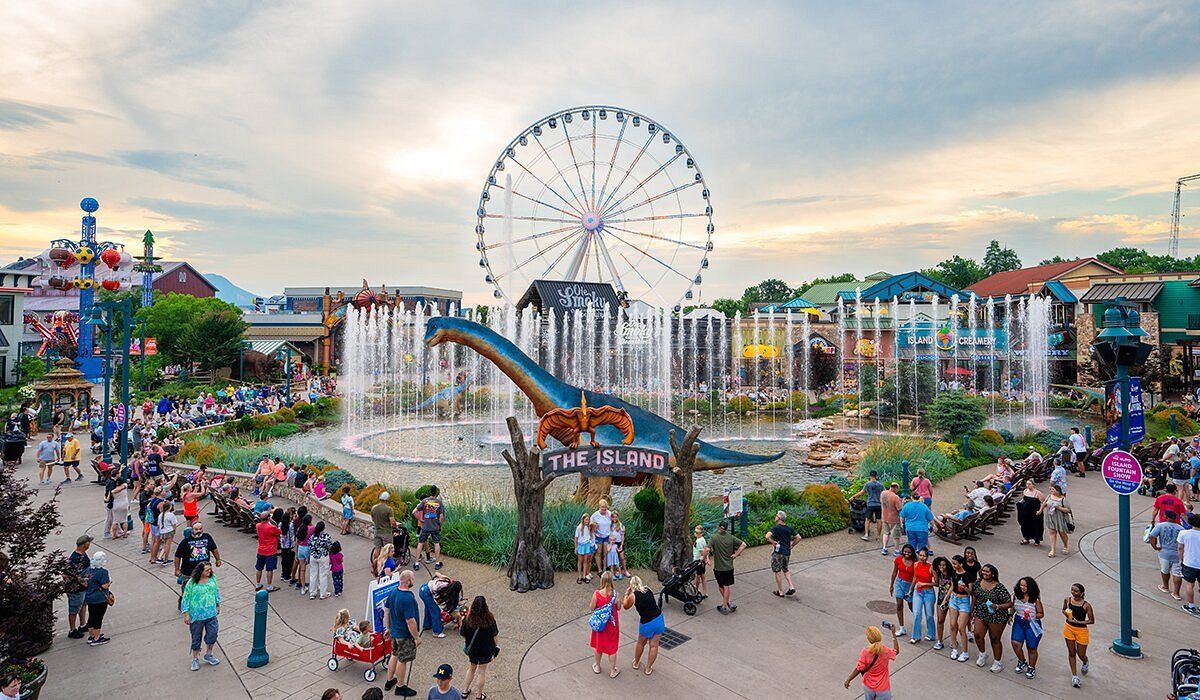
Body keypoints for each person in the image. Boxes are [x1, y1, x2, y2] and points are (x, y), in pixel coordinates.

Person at [383, 570, 422, 698]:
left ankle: (389, 681)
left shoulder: (393, 592)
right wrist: (416, 637)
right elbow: (410, 621)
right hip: (404, 635)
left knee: (394, 655)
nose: (414, 581)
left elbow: (387, 611)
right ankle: (400, 686)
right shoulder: (407, 599)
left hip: (394, 632)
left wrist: (388, 628)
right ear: (408, 581)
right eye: (413, 578)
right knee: (402, 660)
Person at [970, 563, 1012, 672]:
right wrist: (972, 610)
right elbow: (974, 596)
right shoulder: (978, 583)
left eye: (987, 571)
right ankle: (982, 654)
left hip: (996, 616)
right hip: (981, 613)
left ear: (993, 574)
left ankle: (998, 662)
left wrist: (997, 606)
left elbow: (1009, 603)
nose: (984, 573)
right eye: (983, 571)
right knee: (977, 634)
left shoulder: (999, 587)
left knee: (995, 639)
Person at [180, 561, 222, 671]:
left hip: (211, 614)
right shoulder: (192, 583)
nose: (209, 572)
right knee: (196, 637)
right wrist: (186, 614)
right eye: (207, 570)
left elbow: (216, 592)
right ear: (200, 571)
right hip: (196, 616)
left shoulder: (213, 578)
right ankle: (195, 658)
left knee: (213, 634)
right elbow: (186, 598)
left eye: (210, 569)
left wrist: (217, 604)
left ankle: (209, 654)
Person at [460, 595, 499, 700]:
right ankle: (478, 695)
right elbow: (495, 636)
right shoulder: (490, 620)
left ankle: (464, 691)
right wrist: (495, 649)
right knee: (482, 671)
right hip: (486, 650)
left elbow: (462, 633)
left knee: (471, 668)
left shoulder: (468, 620)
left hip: (473, 649)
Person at [843, 625, 899, 699]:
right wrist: (893, 634)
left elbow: (859, 669)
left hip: (868, 686)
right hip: (882, 688)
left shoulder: (865, 652)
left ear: (869, 639)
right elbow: (896, 651)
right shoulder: (885, 651)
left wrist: (848, 680)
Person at [707, 521, 746, 614]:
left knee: (721, 586)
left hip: (719, 568)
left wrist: (707, 558)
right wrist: (736, 555)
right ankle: (727, 604)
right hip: (729, 567)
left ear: (718, 527)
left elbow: (707, 549)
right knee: (727, 586)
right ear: (726, 528)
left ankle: (724, 607)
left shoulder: (714, 537)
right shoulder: (731, 537)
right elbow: (743, 545)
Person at [1010, 575, 1044, 679]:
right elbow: (1013, 607)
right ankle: (1022, 660)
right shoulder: (1016, 596)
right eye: (1021, 585)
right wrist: (1010, 615)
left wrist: (1031, 616)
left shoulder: (1035, 600)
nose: (1023, 588)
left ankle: (1031, 667)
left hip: (1032, 624)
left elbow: (1041, 614)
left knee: (1032, 647)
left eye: (1025, 586)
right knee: (1015, 643)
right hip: (1019, 621)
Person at [589, 571, 621, 678]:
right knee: (612, 647)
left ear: (602, 580)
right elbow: (619, 607)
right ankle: (612, 671)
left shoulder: (597, 594)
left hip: (600, 624)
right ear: (612, 581)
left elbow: (592, 608)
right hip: (612, 625)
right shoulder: (615, 594)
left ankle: (597, 666)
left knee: (599, 645)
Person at [174, 520, 221, 594]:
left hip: (204, 572)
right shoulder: (185, 541)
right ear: (192, 530)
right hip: (189, 573)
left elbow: (214, 549)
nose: (198, 531)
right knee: (188, 592)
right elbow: (177, 556)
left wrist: (218, 560)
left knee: (205, 591)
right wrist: (177, 569)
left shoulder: (207, 537)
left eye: (200, 529)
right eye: (196, 529)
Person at [1062, 582, 1095, 688]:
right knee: (1072, 652)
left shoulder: (1086, 605)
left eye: (1076, 591)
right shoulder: (1067, 600)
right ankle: (1074, 676)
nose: (1073, 593)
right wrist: (1066, 614)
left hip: (1081, 631)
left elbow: (1091, 620)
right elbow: (1063, 610)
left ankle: (1085, 661)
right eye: (1072, 590)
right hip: (1069, 628)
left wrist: (1078, 622)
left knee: (1081, 654)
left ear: (1082, 593)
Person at [945, 555, 975, 662]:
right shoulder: (953, 574)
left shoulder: (968, 576)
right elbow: (952, 586)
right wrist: (946, 599)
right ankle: (954, 648)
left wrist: (965, 588)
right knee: (953, 625)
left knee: (962, 627)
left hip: (964, 601)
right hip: (954, 599)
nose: (953, 565)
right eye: (952, 563)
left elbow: (971, 592)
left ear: (961, 564)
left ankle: (965, 652)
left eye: (955, 563)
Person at [1149, 510, 1184, 600]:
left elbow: (1152, 536)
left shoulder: (1160, 526)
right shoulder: (1181, 528)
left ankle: (1165, 586)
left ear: (1166, 517)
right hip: (1177, 554)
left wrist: (1155, 547)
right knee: (1177, 573)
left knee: (1165, 570)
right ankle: (1176, 593)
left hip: (1165, 552)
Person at [766, 510, 801, 597]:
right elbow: (798, 537)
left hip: (778, 553)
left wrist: (773, 542)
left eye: (776, 516)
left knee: (777, 571)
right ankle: (791, 586)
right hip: (787, 552)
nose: (775, 517)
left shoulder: (775, 528)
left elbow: (767, 536)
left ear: (779, 518)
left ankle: (780, 591)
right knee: (786, 569)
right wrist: (792, 545)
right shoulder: (789, 528)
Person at [65, 534, 93, 638]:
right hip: (76, 589)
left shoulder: (83, 554)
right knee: (74, 609)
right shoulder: (74, 558)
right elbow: (65, 575)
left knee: (83, 605)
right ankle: (72, 630)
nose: (89, 544)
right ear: (85, 544)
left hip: (84, 588)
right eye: (88, 542)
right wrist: (80, 581)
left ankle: (83, 624)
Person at [412, 486, 445, 571]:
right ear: (436, 493)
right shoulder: (439, 502)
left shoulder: (424, 501)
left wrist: (420, 519)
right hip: (435, 527)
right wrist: (440, 526)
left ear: (430, 492)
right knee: (436, 543)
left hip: (425, 526)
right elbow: (441, 517)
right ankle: (437, 563)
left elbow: (414, 511)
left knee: (420, 543)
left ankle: (416, 563)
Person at [84, 550, 113, 646]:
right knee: (98, 618)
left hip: (89, 597)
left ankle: (92, 636)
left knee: (91, 616)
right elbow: (105, 586)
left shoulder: (88, 570)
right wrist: (110, 583)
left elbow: (82, 581)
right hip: (99, 598)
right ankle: (97, 638)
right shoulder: (103, 572)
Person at [887, 544, 915, 637]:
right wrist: (891, 585)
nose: (906, 554)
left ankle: (917, 620)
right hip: (899, 583)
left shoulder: (915, 562)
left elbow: (916, 576)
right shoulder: (898, 559)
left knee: (912, 606)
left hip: (910, 585)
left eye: (909, 552)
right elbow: (894, 572)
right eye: (905, 552)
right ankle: (902, 627)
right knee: (899, 605)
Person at [910, 547, 936, 645]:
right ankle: (916, 636)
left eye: (924, 555)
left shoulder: (931, 567)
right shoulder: (916, 564)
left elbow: (936, 583)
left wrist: (925, 584)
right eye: (920, 555)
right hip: (918, 591)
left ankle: (931, 634)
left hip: (928, 592)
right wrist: (911, 589)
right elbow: (915, 577)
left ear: (927, 556)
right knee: (917, 613)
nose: (922, 557)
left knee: (929, 614)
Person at [1039, 483, 1072, 557]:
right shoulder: (1049, 496)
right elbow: (1044, 504)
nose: (1051, 491)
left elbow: (1068, 510)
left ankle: (1065, 545)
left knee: (1062, 533)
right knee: (1052, 532)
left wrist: (1059, 508)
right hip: (1051, 517)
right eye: (1050, 489)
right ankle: (1053, 550)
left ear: (1057, 490)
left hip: (1060, 518)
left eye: (1053, 489)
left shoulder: (1063, 499)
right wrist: (1040, 510)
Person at [852, 471, 885, 543]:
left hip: (870, 504)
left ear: (870, 476)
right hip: (879, 504)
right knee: (879, 520)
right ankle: (878, 536)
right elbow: (884, 493)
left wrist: (853, 497)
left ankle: (866, 535)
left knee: (867, 519)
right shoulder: (880, 485)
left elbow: (861, 492)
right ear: (876, 476)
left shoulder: (867, 484)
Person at [1179, 513, 1200, 615]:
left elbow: (1180, 548)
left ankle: (1191, 606)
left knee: (1189, 585)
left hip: (1189, 562)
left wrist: (1180, 559)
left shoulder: (1184, 533)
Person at [255, 510, 281, 592]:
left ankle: (258, 584)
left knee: (259, 568)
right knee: (269, 569)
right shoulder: (271, 527)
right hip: (270, 550)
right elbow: (279, 532)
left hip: (261, 550)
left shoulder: (258, 526)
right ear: (268, 518)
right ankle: (269, 586)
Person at [371, 492, 397, 576]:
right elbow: (392, 521)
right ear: (387, 499)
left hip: (377, 531)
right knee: (388, 549)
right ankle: (388, 566)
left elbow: (373, 518)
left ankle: (375, 565)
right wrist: (395, 527)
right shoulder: (389, 509)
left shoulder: (374, 508)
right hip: (386, 532)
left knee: (377, 548)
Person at [930, 556, 953, 651]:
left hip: (952, 600)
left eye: (943, 565)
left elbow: (952, 587)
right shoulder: (938, 573)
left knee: (953, 623)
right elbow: (936, 582)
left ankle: (953, 640)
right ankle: (939, 641)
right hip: (941, 599)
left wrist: (946, 599)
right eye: (939, 565)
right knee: (940, 620)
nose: (941, 567)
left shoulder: (952, 573)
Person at [308, 520, 334, 599]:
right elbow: (330, 547)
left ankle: (312, 593)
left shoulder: (312, 536)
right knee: (323, 576)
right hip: (323, 557)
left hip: (313, 556)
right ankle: (323, 594)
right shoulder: (326, 536)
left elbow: (309, 544)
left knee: (313, 575)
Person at [1016, 480, 1045, 546]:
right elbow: (1024, 499)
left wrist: (1040, 511)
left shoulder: (1038, 493)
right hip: (1026, 511)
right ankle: (1026, 538)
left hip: (1035, 511)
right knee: (1025, 525)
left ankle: (1036, 540)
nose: (1028, 485)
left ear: (1033, 485)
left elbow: (1043, 503)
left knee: (1036, 525)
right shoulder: (1025, 491)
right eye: (1027, 484)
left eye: (1029, 484)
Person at [418, 572, 446, 638]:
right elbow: (437, 597)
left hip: (424, 588)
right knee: (436, 611)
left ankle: (427, 625)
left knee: (428, 608)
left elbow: (436, 573)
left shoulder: (445, 579)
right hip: (426, 593)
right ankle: (437, 632)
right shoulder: (443, 586)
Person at [590, 499, 614, 575]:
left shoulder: (609, 514)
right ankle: (599, 570)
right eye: (602, 507)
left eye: (605, 507)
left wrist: (612, 534)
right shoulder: (595, 515)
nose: (604, 509)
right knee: (598, 553)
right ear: (599, 506)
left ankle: (605, 569)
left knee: (606, 553)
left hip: (607, 536)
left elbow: (613, 524)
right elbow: (590, 526)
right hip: (598, 536)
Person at [880, 482, 903, 556]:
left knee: (886, 533)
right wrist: (902, 502)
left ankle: (884, 548)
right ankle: (896, 550)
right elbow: (900, 509)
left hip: (884, 516)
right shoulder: (895, 497)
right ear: (895, 487)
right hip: (894, 518)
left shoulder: (883, 493)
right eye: (897, 489)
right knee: (896, 535)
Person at [574, 513, 596, 584]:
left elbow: (594, 527)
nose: (587, 521)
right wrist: (576, 547)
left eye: (588, 519)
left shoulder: (589, 527)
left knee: (585, 560)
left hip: (587, 545)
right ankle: (579, 576)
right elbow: (576, 538)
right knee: (580, 561)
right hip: (580, 545)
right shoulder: (579, 527)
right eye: (586, 519)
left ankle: (584, 576)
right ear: (583, 519)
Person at [157, 500, 179, 566]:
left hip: (162, 532)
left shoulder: (160, 515)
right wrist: (174, 531)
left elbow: (158, 524)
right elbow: (174, 524)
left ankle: (160, 557)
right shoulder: (171, 515)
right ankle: (166, 559)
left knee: (165, 545)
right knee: (168, 546)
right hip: (169, 531)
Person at [691, 524, 709, 599]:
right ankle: (705, 592)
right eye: (695, 532)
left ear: (701, 533)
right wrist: (706, 559)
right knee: (703, 576)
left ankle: (695, 591)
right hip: (701, 562)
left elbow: (703, 552)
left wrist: (704, 559)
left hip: (698, 561)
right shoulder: (703, 539)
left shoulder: (698, 541)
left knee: (697, 577)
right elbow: (706, 549)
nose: (695, 533)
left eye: (697, 532)